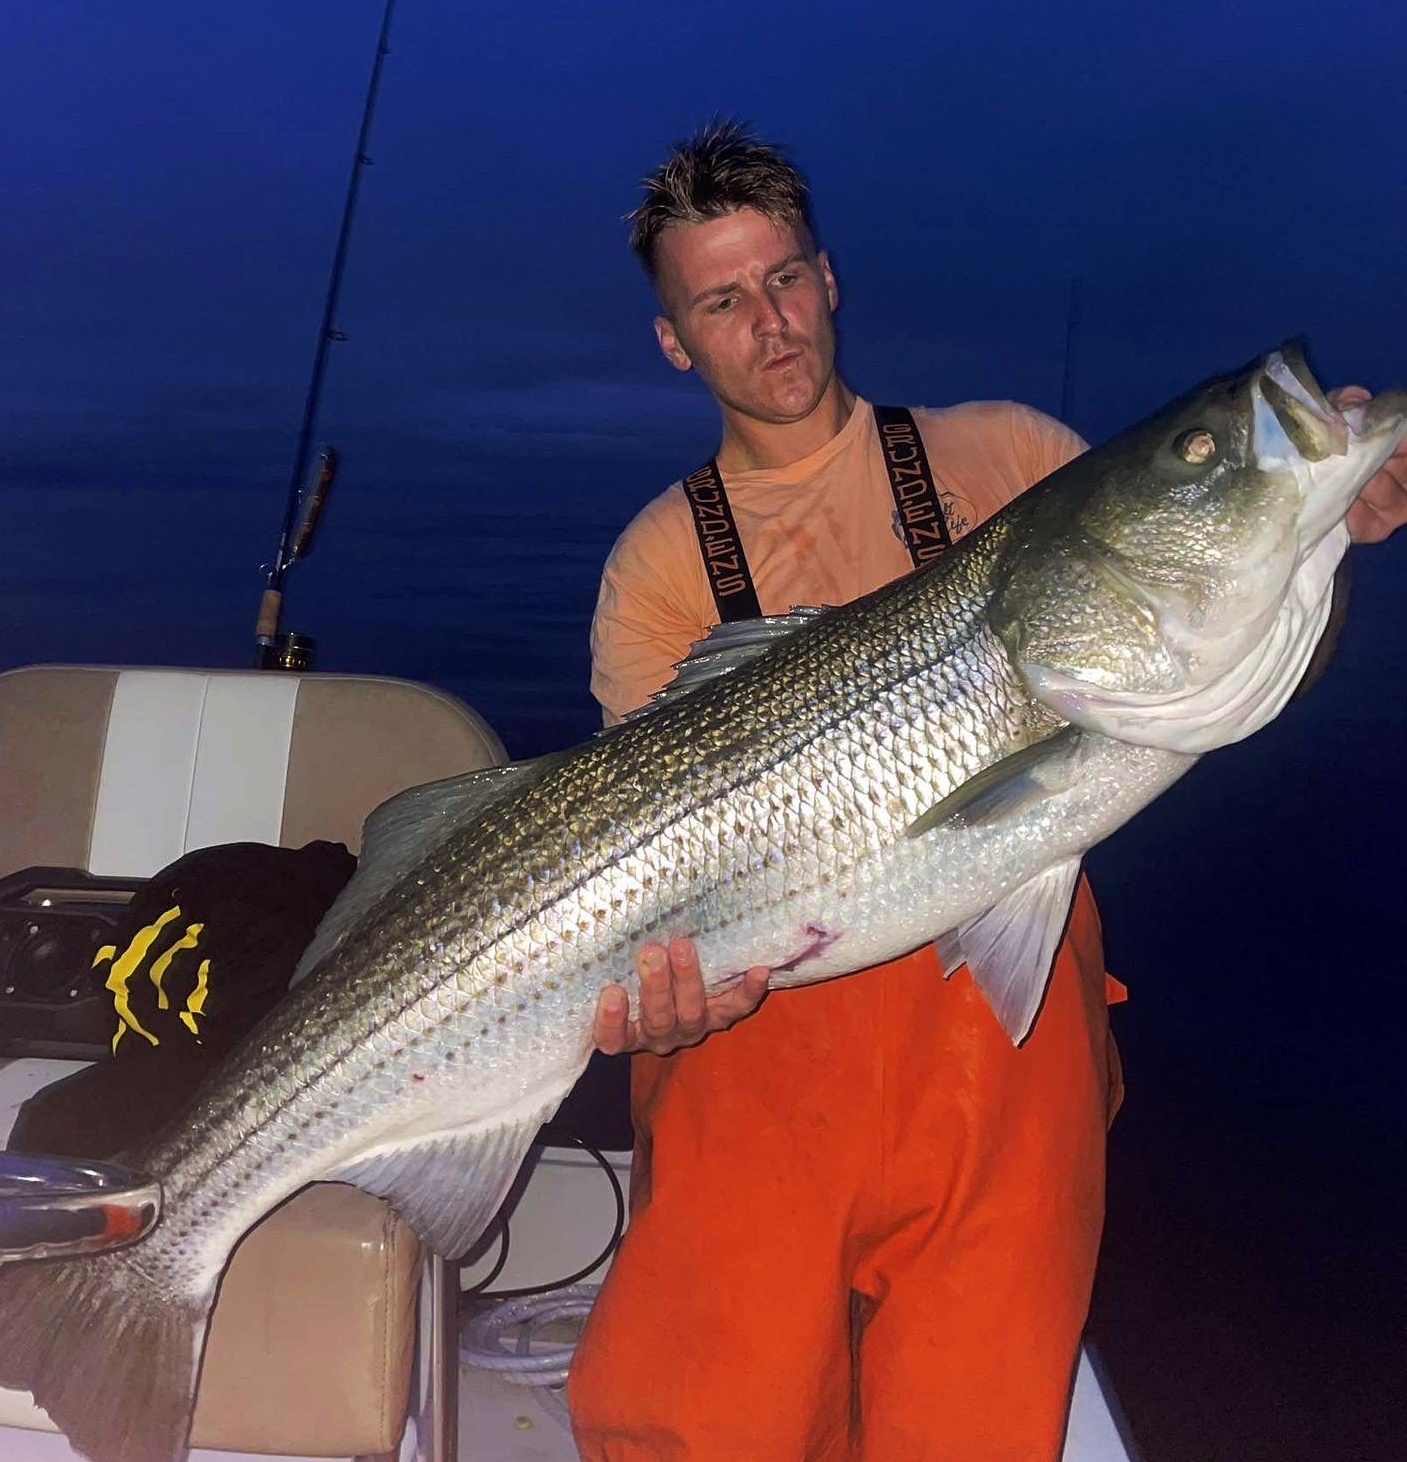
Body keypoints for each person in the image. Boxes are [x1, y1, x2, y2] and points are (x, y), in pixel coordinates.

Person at [566, 122, 1407, 1461]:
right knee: (707, 1423)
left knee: (977, 1431)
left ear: (829, 277)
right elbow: (643, 873)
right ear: (674, 337)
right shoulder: (660, 564)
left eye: (783, 277)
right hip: (757, 1057)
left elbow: (1215, 650)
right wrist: (657, 996)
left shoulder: (1009, 453)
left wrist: (1316, 540)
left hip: (1005, 1068)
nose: (768, 322)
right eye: (720, 301)